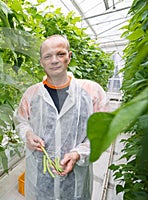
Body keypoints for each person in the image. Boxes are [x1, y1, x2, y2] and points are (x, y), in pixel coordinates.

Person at [13, 35, 109, 200]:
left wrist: (79, 153)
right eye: (48, 56)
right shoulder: (32, 94)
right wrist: (28, 134)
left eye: (60, 54)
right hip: (40, 180)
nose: (54, 60)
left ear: (69, 56)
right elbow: (21, 121)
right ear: (41, 61)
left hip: (76, 181)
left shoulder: (91, 92)